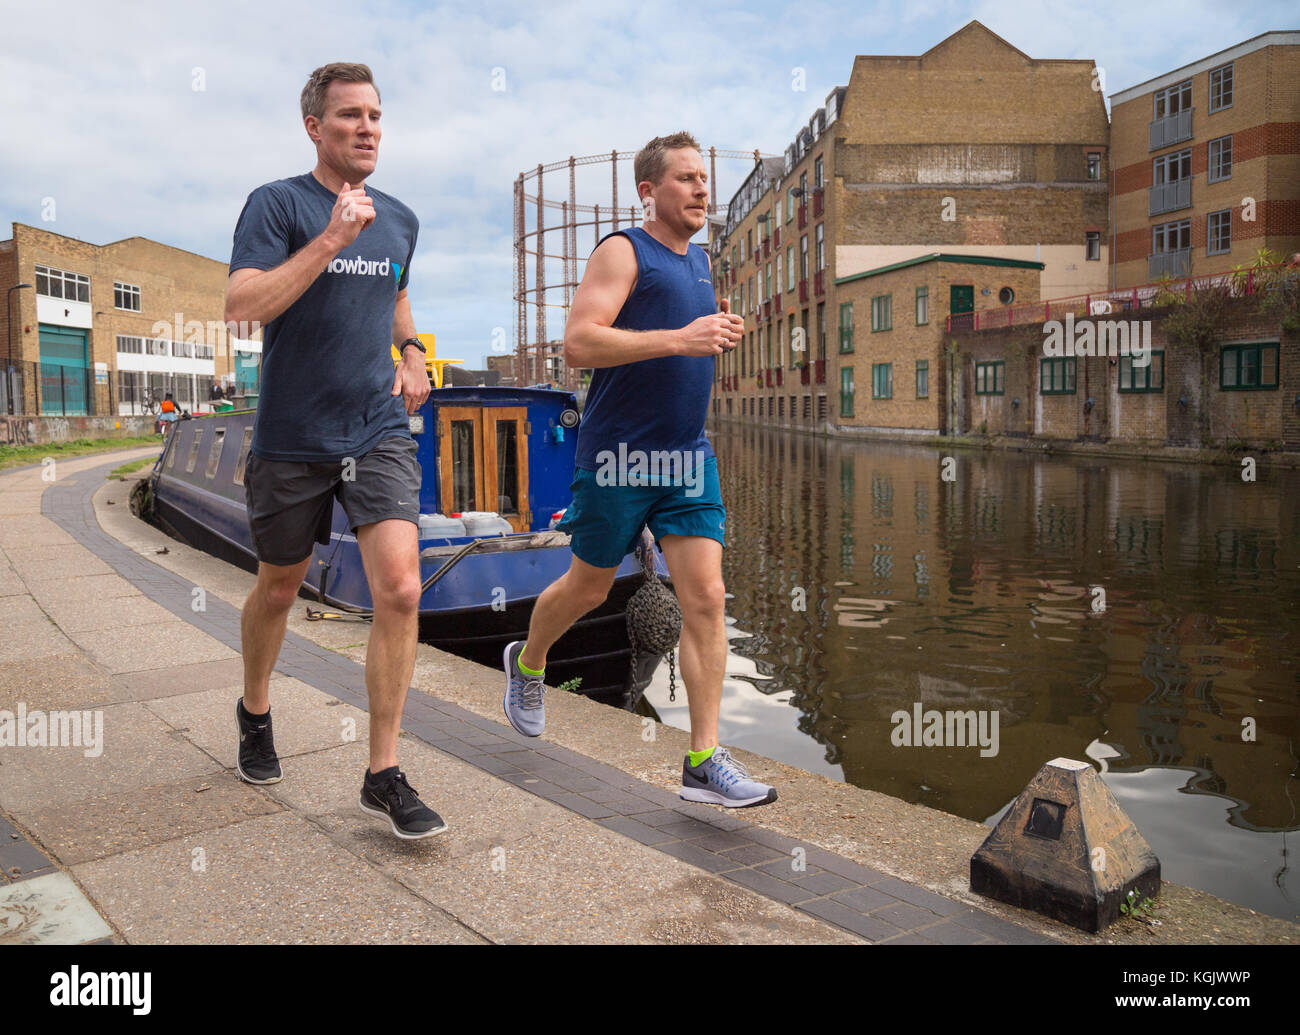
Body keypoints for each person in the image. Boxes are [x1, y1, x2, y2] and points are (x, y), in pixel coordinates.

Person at [503, 132, 777, 808]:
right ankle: (529, 660)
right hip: (619, 456)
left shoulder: (704, 261)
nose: (701, 189)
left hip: (686, 455)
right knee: (589, 588)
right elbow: (578, 341)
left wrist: (713, 332)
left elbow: (683, 340)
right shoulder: (623, 250)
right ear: (649, 191)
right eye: (685, 179)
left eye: (703, 178)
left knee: (707, 598)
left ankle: (702, 760)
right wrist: (681, 338)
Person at [224, 62, 443, 838]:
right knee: (279, 589)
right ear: (315, 126)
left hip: (375, 428)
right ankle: (255, 709)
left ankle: (382, 771)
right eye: (350, 115)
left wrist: (412, 352)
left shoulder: (402, 219)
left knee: (402, 588)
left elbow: (397, 293)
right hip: (292, 435)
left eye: (376, 115)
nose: (367, 127)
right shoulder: (278, 203)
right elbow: (241, 304)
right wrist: (329, 238)